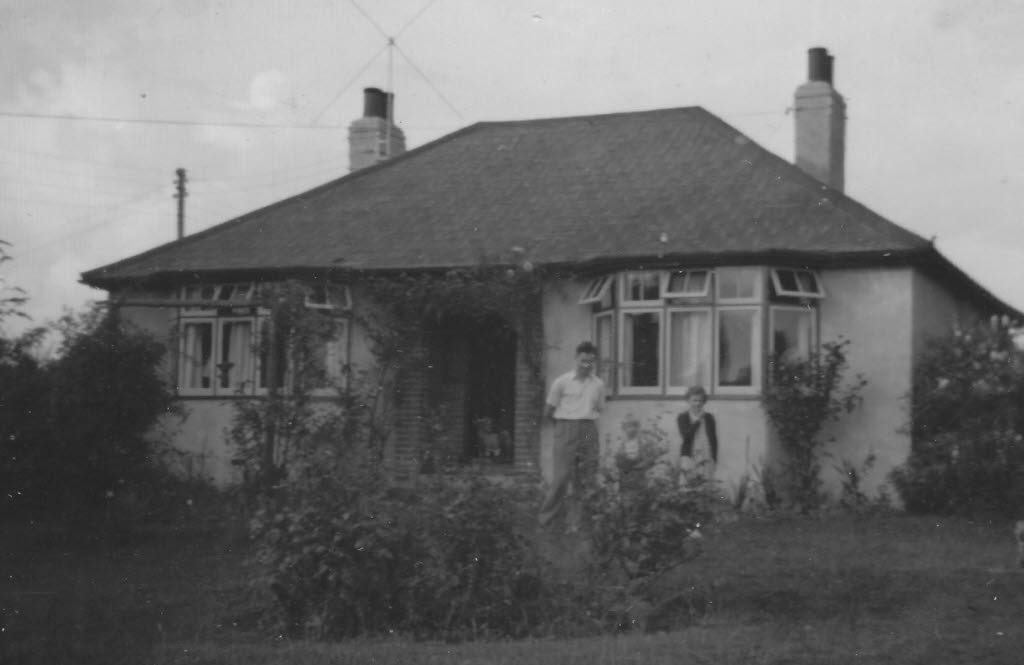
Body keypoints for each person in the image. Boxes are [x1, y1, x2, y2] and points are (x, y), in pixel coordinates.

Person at [538, 341, 606, 530]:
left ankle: (576, 523)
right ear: (576, 359)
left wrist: (584, 427)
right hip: (565, 429)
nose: (587, 365)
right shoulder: (562, 382)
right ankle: (546, 520)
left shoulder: (598, 384)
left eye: (591, 362)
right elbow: (548, 411)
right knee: (561, 477)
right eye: (583, 361)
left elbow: (599, 409)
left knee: (586, 477)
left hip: (588, 430)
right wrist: (563, 428)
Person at [677, 386, 718, 483]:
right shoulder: (683, 417)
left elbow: (714, 439)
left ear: (704, 402)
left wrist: (714, 458)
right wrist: (697, 420)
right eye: (694, 400)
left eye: (700, 400)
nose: (697, 403)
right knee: (687, 486)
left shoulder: (709, 417)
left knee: (706, 487)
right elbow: (686, 436)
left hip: (706, 456)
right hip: (689, 457)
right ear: (688, 401)